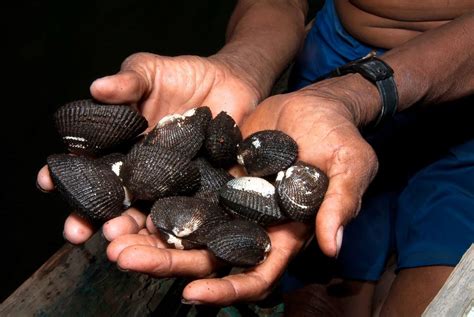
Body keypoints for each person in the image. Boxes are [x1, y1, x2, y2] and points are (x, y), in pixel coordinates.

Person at [37, 0, 474, 315]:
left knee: (435, 296)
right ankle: (352, 282)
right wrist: (244, 66)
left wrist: (359, 92)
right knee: (333, 279)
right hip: (335, 56)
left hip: (461, 108)